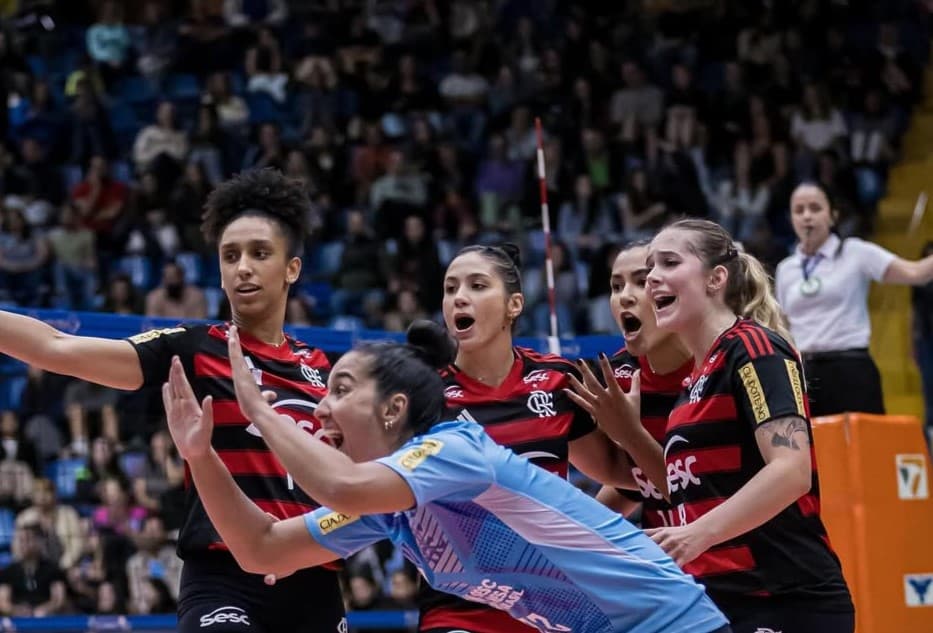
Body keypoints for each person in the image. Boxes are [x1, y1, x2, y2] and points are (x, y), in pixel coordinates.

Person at [163, 321, 731, 633]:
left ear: (393, 409)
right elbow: (263, 549)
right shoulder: (387, 502)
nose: (319, 409)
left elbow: (340, 486)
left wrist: (258, 409)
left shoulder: (452, 450)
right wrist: (201, 455)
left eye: (340, 390)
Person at [0, 169, 346, 632]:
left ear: (292, 268)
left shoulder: (326, 368)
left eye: (260, 253)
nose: (243, 266)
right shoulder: (195, 347)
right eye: (230, 255)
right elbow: (55, 348)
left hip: (313, 578)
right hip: (223, 577)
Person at [590, 218, 854, 633]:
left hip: (784, 598)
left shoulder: (754, 347)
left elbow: (791, 470)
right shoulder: (692, 383)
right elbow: (648, 484)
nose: (654, 277)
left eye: (669, 263)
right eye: (652, 267)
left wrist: (696, 534)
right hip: (719, 600)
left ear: (716, 279)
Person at [427, 243, 637, 633]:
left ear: (514, 305)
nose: (459, 298)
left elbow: (623, 476)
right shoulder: (426, 395)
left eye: (476, 286)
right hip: (461, 608)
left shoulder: (558, 380)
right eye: (451, 288)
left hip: (552, 607)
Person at [775, 182, 933, 416]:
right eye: (799, 210)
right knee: (814, 450)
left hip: (851, 370)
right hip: (803, 375)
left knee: (865, 449)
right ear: (791, 219)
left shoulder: (856, 252)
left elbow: (916, 273)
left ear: (833, 215)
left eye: (815, 208)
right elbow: (782, 326)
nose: (807, 216)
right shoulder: (785, 268)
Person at [566, 241, 692, 527]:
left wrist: (630, 435)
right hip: (667, 561)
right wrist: (577, 538)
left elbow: (699, 495)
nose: (624, 297)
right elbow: (632, 482)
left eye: (640, 282)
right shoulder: (619, 373)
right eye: (616, 286)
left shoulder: (722, 364)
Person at [911, 240, 933, 446]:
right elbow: (915, 314)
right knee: (929, 391)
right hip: (927, 340)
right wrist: (914, 344)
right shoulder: (920, 284)